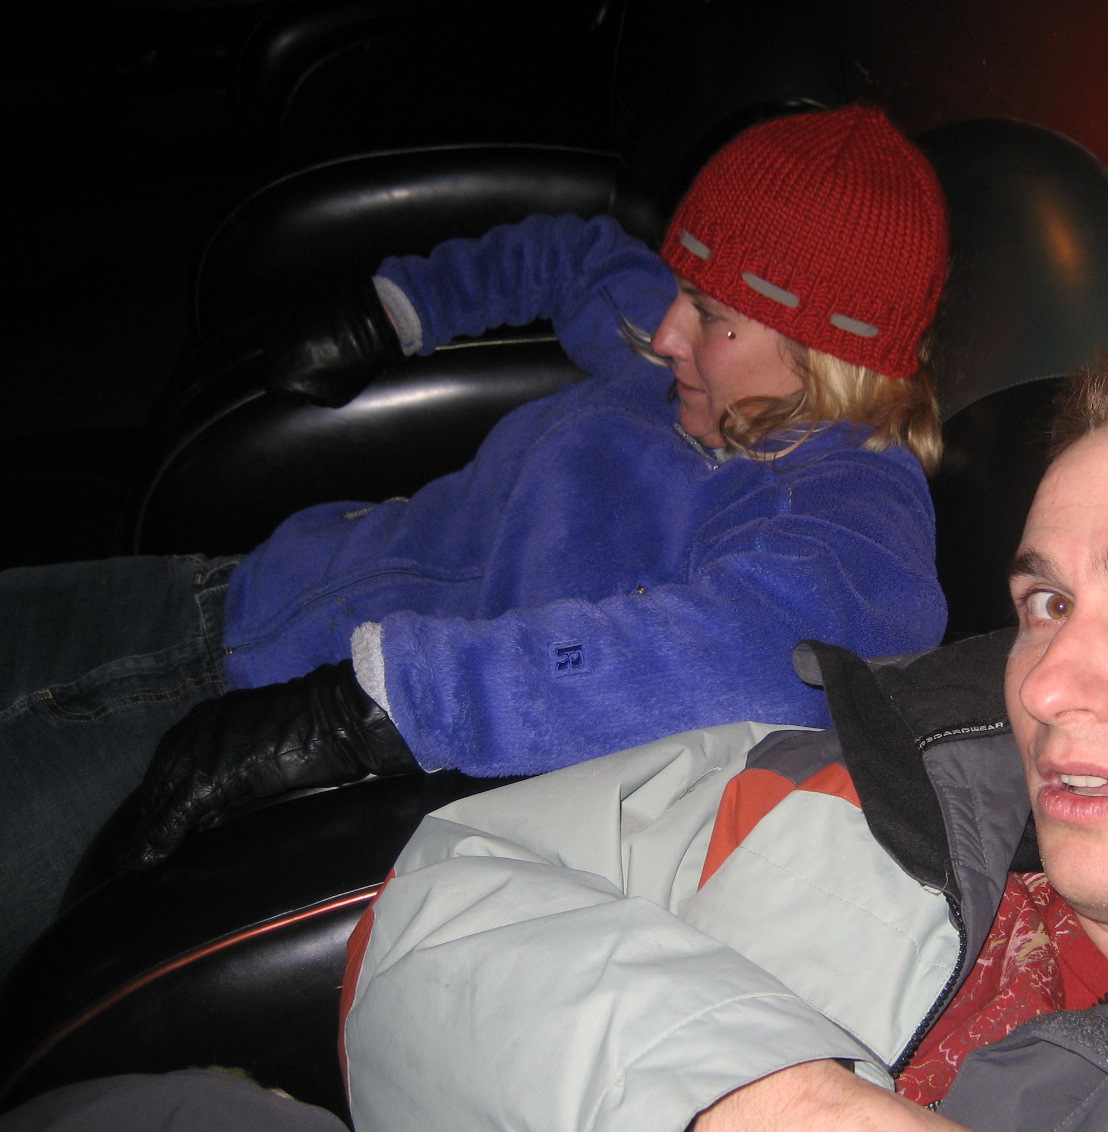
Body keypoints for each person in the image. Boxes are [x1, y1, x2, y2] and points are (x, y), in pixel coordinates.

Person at [6, 331, 1108, 1132]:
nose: (1051, 679)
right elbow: (429, 909)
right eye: (1046, 599)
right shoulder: (849, 780)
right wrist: (775, 1109)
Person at [0, 104, 950, 982]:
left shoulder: (851, 505)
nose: (665, 333)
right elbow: (575, 255)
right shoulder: (694, 374)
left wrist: (365, 710)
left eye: (710, 314)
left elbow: (758, 656)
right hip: (235, 587)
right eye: (682, 292)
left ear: (825, 349)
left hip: (262, 714)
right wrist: (396, 308)